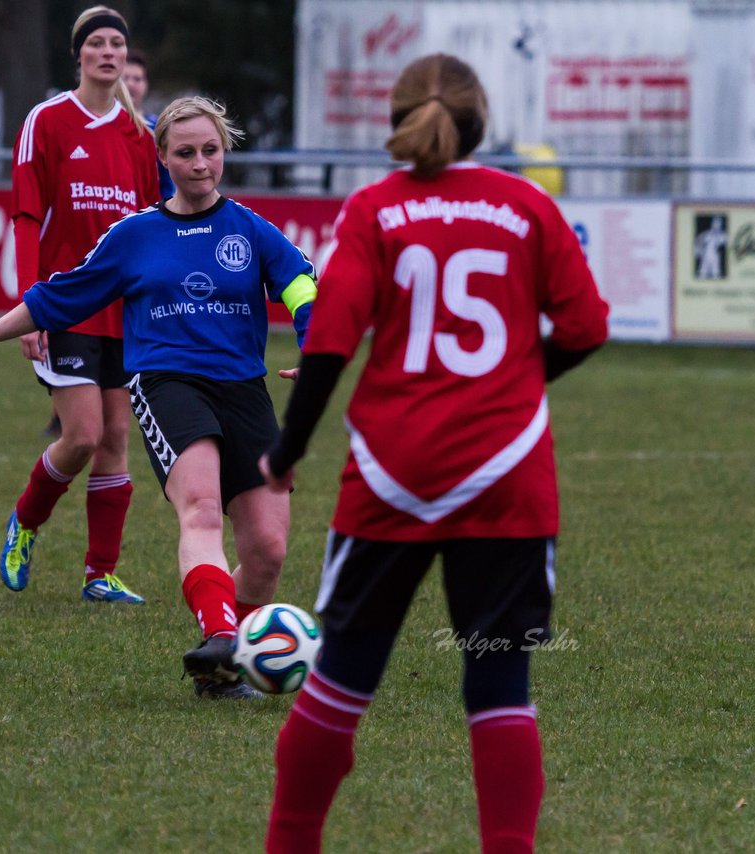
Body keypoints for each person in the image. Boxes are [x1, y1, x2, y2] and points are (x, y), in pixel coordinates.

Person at [259, 54, 609, 852]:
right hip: (506, 476)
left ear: (399, 119)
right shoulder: (528, 207)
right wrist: (522, 375)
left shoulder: (374, 210)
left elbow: (331, 344)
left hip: (393, 475)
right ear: (480, 121)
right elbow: (587, 326)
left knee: (341, 680)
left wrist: (286, 451)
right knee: (499, 687)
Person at [0, 96, 318, 699]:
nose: (199, 164)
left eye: (210, 151)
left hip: (244, 388)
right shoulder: (134, 235)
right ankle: (219, 633)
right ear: (163, 157)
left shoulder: (249, 228)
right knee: (201, 511)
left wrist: (313, 344)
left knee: (268, 549)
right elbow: (56, 298)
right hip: (166, 383)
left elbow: (300, 284)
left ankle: (221, 670)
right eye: (185, 153)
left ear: (225, 154)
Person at [1, 5, 160, 605]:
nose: (108, 51)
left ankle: (101, 573)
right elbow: (26, 217)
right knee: (84, 435)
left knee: (117, 436)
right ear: (79, 54)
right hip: (65, 305)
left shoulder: (141, 137)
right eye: (96, 42)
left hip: (126, 310)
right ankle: (25, 522)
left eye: (117, 43)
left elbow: (151, 226)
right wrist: (30, 305)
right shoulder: (46, 121)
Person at [123, 50, 175, 200]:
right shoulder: (102, 127)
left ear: (146, 84)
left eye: (137, 79)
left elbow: (168, 181)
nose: (131, 84)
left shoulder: (157, 128)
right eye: (125, 78)